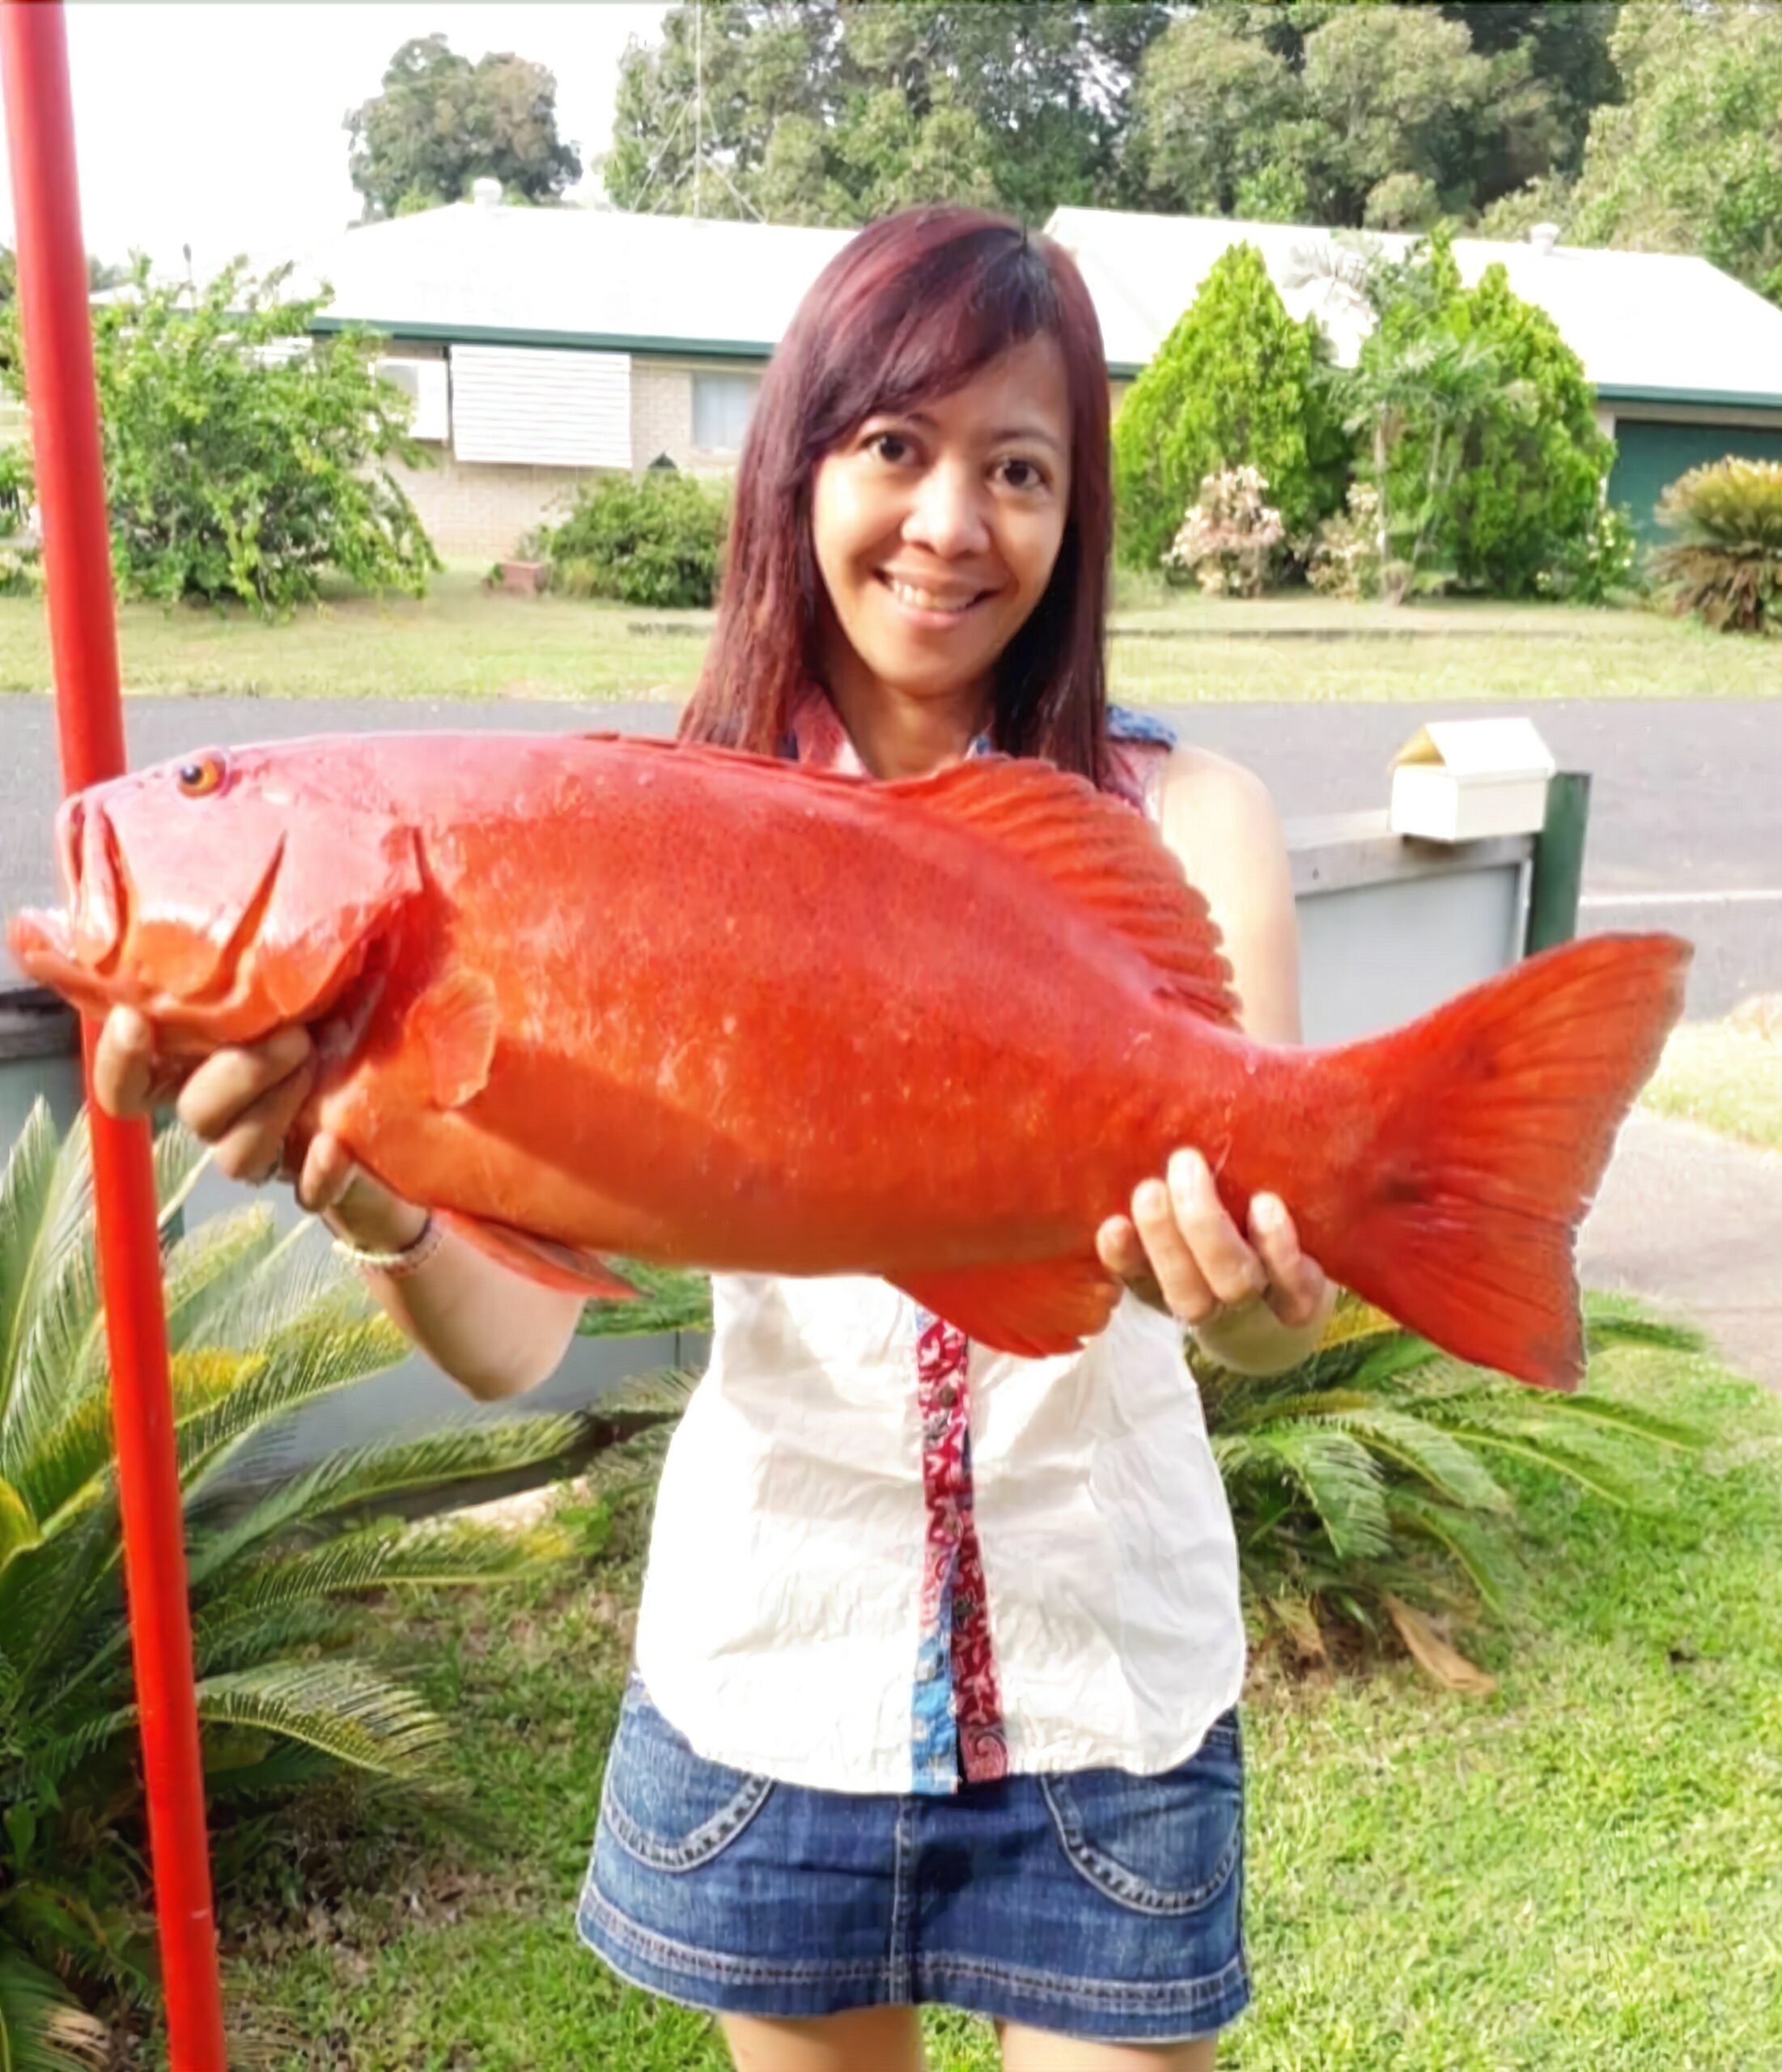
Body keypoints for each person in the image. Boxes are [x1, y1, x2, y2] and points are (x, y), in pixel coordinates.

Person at [95, 206, 1334, 2072]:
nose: (948, 521)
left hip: (1110, 1675)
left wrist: (1254, 1298)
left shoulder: (1189, 819)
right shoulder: (644, 817)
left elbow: (1263, 1312)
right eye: (892, 448)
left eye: (1018, 466)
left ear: (1075, 516)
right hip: (782, 1675)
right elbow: (518, 1347)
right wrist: (371, 1189)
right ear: (797, 468)